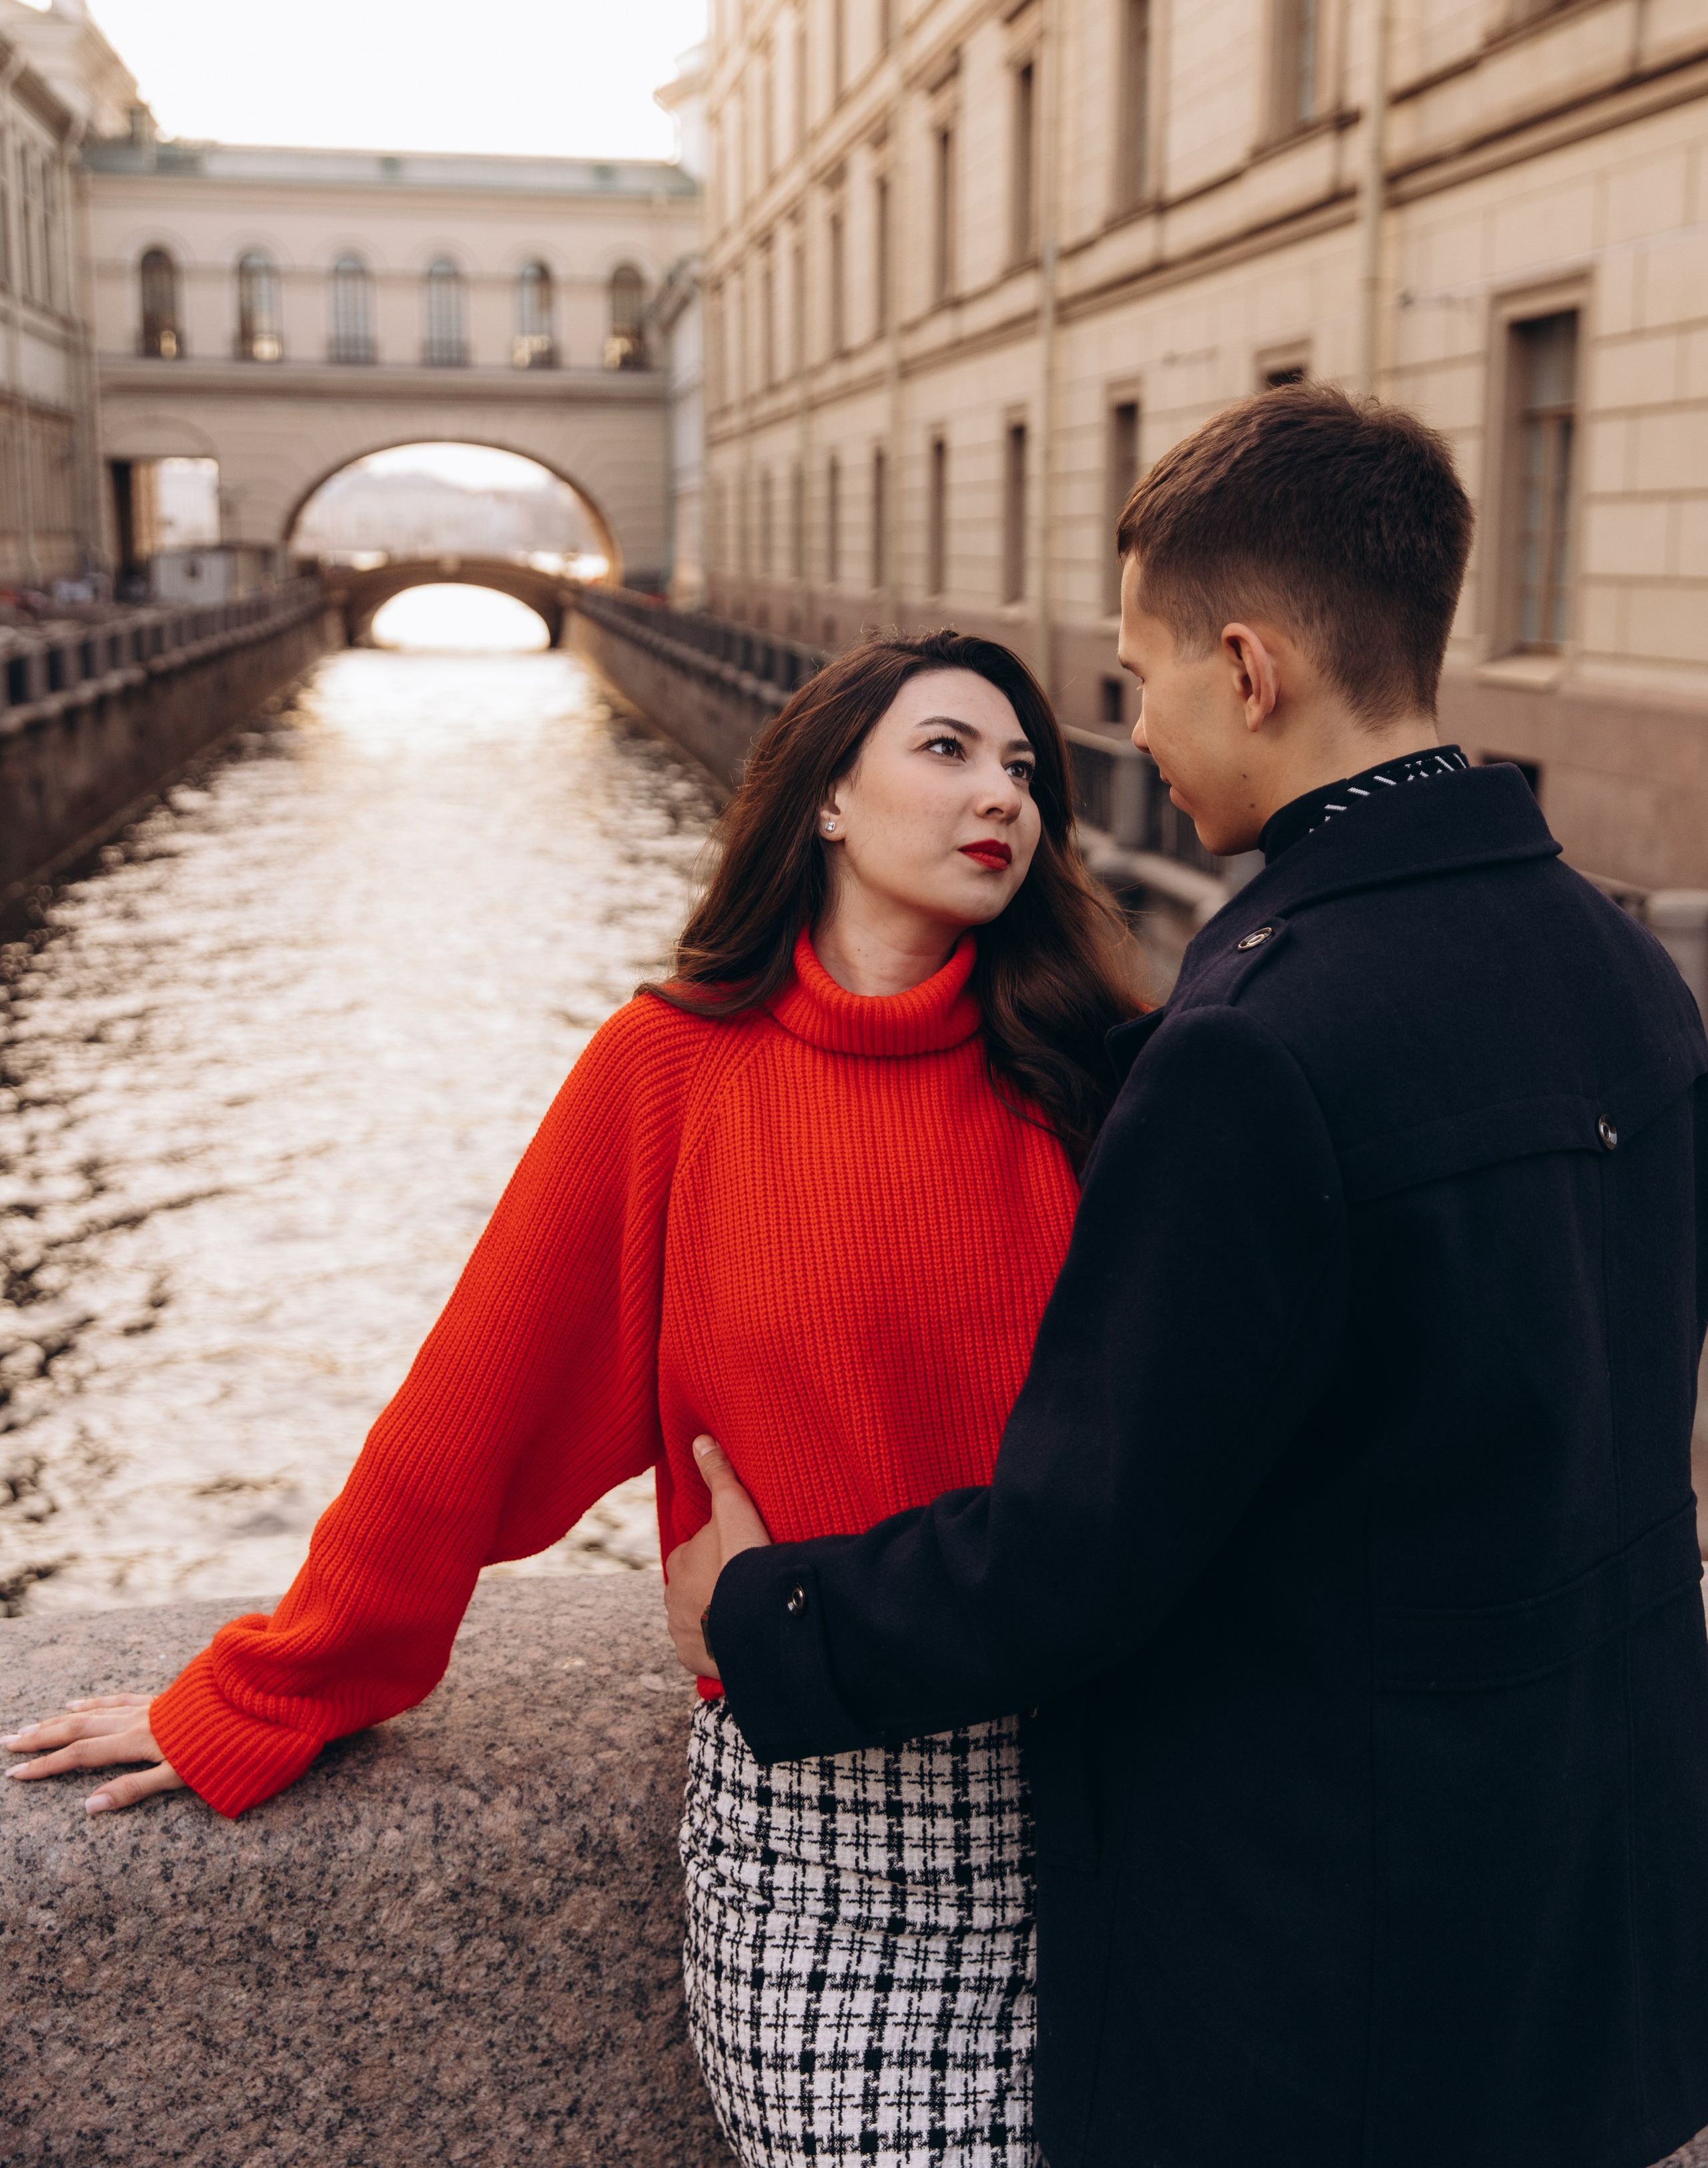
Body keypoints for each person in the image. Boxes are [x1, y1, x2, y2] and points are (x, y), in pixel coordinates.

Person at [667, 384, 1708, 2168]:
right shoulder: (1615, 963)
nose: (1132, 729)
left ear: (1247, 669)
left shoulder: (1261, 1040)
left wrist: (771, 1616)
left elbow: (1081, 1549)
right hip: (1586, 1926)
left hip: (1334, 1967)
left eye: (1139, 676)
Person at [3, 629, 1138, 2168]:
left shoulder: (1091, 1085)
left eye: (1022, 769)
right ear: (824, 797)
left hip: (1115, 1819)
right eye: (945, 750)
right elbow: (466, 1417)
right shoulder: (670, 1070)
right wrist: (266, 1694)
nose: (999, 792)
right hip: (829, 1857)